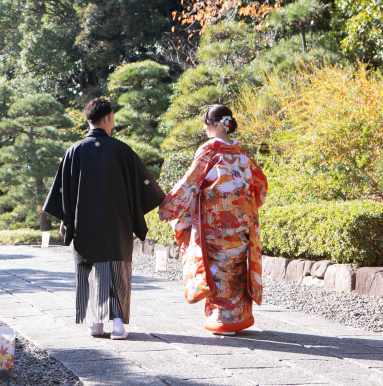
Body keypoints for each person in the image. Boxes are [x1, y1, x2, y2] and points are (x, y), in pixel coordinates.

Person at [43, 98, 165, 339]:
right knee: (117, 268)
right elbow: (142, 185)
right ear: (108, 118)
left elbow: (63, 191)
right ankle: (118, 325)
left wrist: (65, 219)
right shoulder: (121, 150)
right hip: (117, 221)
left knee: (88, 268)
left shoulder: (74, 151)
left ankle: (95, 323)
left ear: (88, 120)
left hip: (83, 221)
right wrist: (163, 203)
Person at [159, 105, 267, 335]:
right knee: (237, 269)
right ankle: (239, 318)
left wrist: (170, 207)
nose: (204, 127)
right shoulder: (241, 152)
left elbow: (190, 182)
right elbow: (261, 185)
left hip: (215, 224)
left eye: (206, 123)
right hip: (242, 224)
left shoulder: (209, 150)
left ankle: (222, 320)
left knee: (218, 270)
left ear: (217, 125)